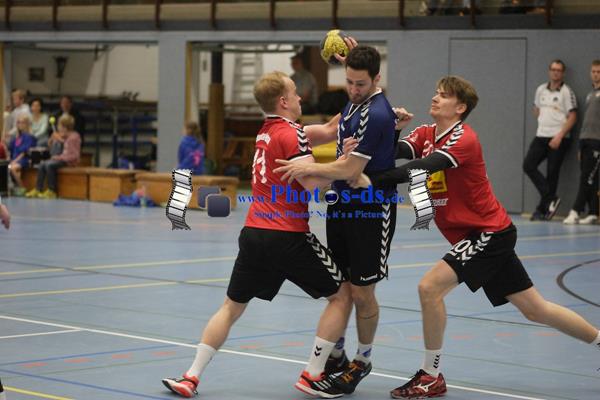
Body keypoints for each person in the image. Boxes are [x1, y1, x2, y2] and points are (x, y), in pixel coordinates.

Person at [349, 75, 600, 399]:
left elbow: (419, 168)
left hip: (488, 234)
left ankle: (430, 375)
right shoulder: (426, 133)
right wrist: (391, 128)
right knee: (535, 309)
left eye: (444, 95)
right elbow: (393, 152)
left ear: (461, 107)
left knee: (429, 288)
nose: (435, 98)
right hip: (479, 236)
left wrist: (370, 180)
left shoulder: (463, 139)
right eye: (436, 92)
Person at [161, 71, 348, 398]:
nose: (301, 97)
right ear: (284, 101)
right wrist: (346, 166)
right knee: (343, 296)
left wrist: (362, 106)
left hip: (253, 234)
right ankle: (313, 373)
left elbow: (332, 129)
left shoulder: (266, 132)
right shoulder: (294, 134)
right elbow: (311, 184)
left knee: (231, 307)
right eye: (295, 92)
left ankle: (191, 376)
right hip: (287, 236)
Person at [274, 45, 399, 396]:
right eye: (349, 82)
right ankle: (338, 354)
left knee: (362, 291)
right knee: (342, 285)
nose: (353, 90)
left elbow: (349, 168)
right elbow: (334, 132)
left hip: (371, 209)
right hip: (341, 204)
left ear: (376, 79)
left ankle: (362, 360)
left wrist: (307, 168)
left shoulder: (377, 114)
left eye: (360, 84)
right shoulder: (354, 102)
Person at [524, 60, 577, 221]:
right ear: (549, 71)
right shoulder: (541, 89)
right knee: (528, 165)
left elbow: (573, 116)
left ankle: (543, 209)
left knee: (552, 173)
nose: (555, 72)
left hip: (559, 137)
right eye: (553, 69)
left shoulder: (566, 92)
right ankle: (551, 198)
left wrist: (559, 135)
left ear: (562, 73)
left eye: (558, 70)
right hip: (541, 135)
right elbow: (536, 109)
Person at [563, 59, 600, 225]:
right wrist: (580, 145)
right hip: (585, 140)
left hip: (597, 142)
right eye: (593, 71)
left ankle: (575, 211)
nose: (596, 75)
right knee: (592, 178)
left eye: (599, 72)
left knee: (586, 177)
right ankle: (593, 212)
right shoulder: (590, 94)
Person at [25, 115, 81, 199]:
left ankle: (52, 190)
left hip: (70, 162)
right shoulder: (64, 136)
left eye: (60, 125)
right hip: (62, 159)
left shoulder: (73, 137)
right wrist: (52, 140)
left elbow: (73, 156)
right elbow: (52, 148)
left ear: (65, 127)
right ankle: (38, 189)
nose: (58, 128)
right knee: (42, 164)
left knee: (49, 165)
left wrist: (58, 157)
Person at [8, 115, 37, 196]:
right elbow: (11, 149)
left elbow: (24, 152)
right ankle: (13, 187)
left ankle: (22, 187)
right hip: (15, 159)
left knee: (12, 168)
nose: (20, 124)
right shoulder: (16, 137)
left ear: (27, 124)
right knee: (7, 166)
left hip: (24, 159)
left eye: (22, 122)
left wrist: (15, 161)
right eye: (19, 122)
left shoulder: (29, 137)